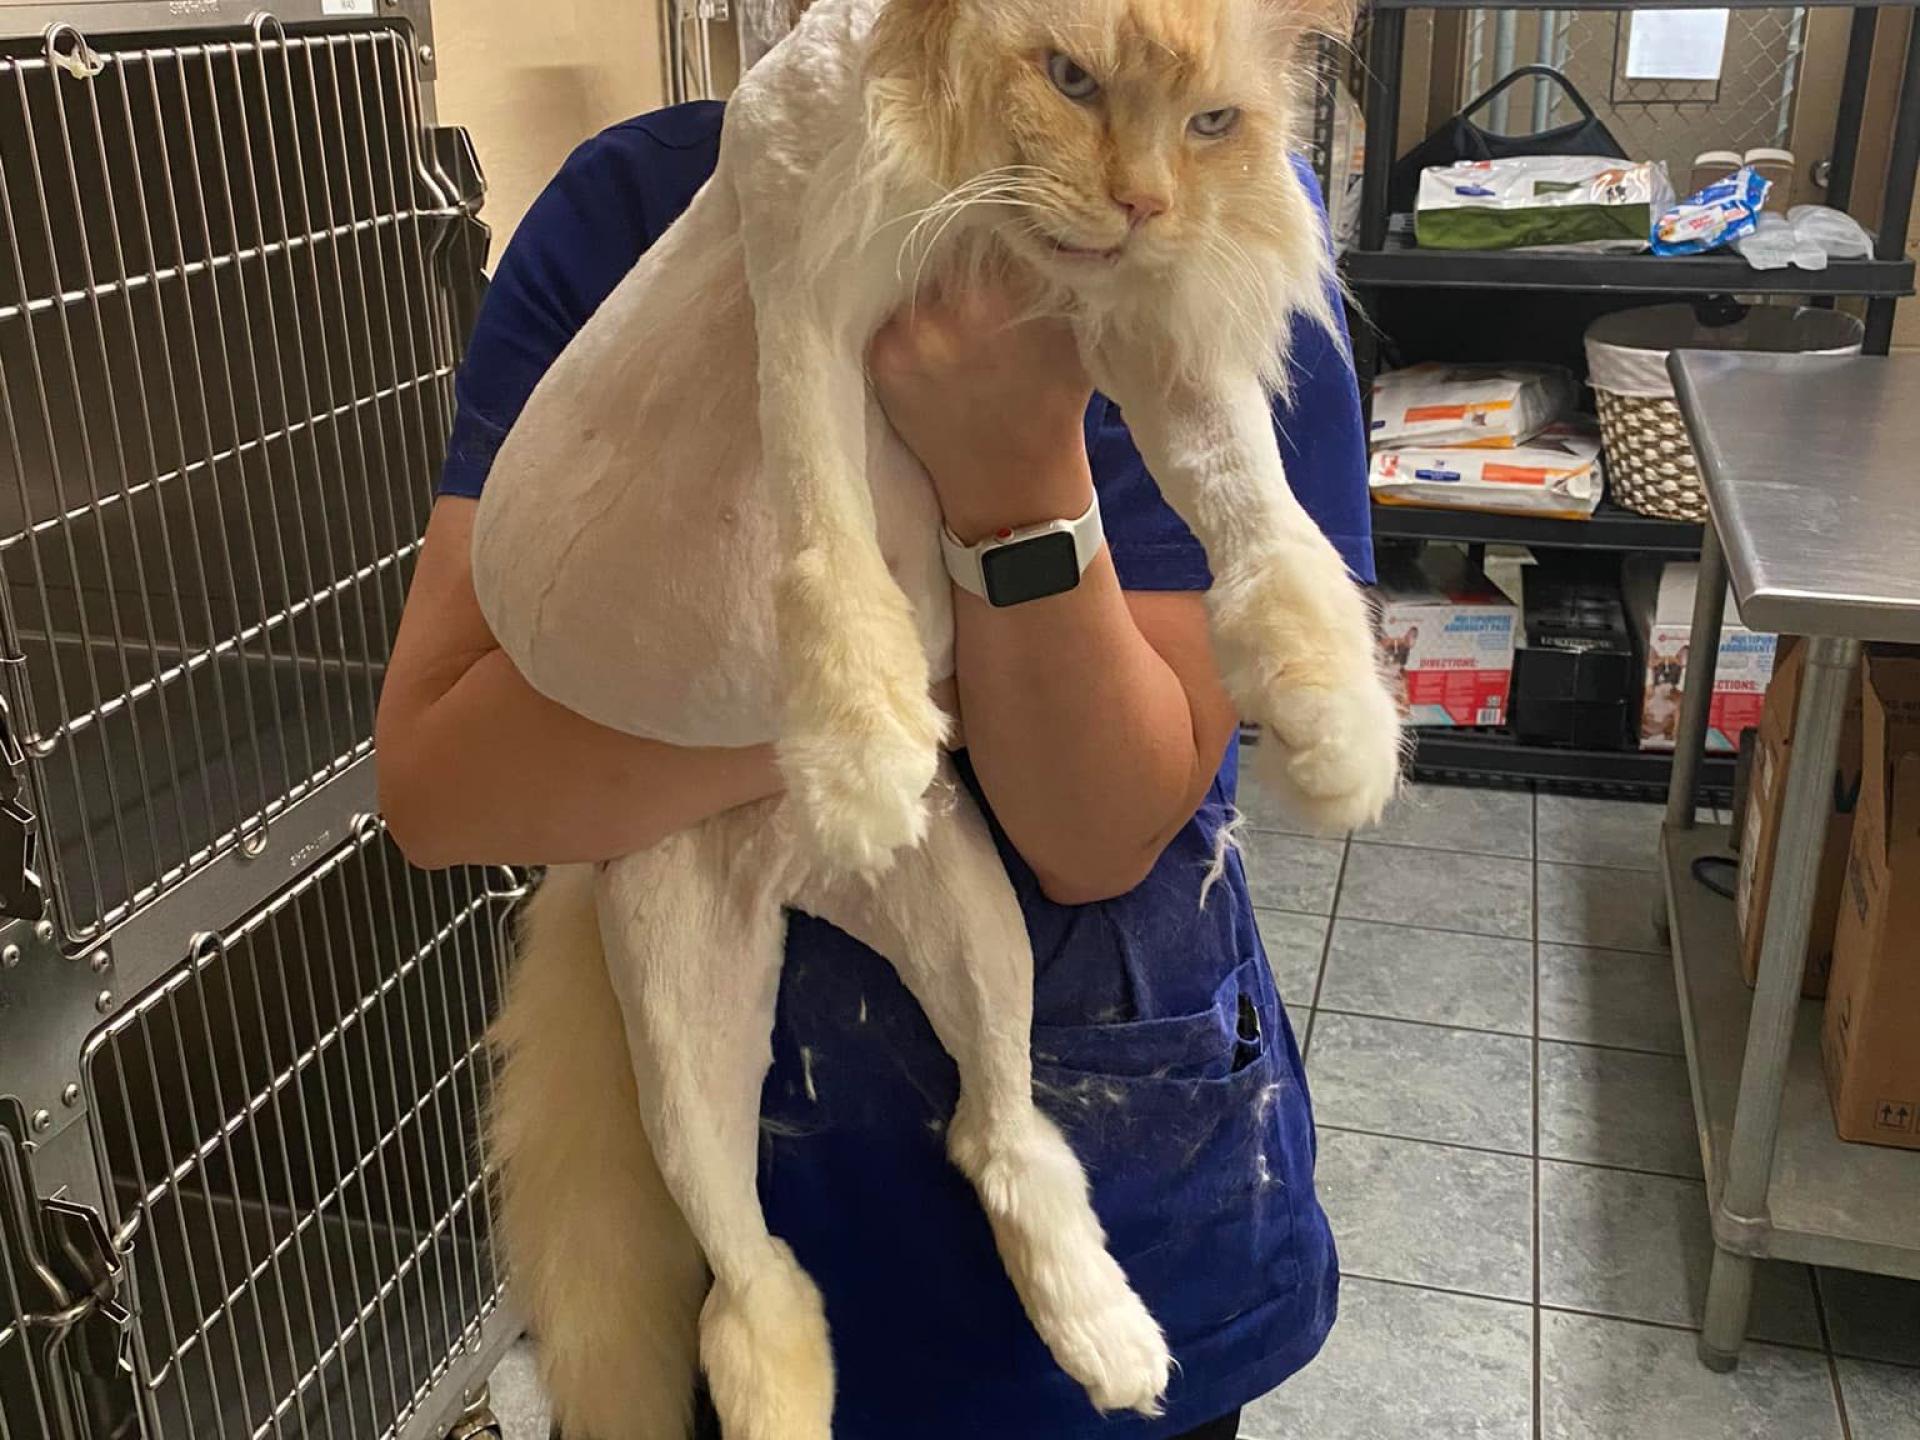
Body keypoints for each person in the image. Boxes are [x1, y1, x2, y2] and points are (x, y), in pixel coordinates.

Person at [376, 97, 1373, 1440]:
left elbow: (1097, 832)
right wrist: (929, 680)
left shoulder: (1195, 187)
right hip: (712, 1181)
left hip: (1108, 1194)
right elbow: (443, 785)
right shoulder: (632, 204)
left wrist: (1013, 472)